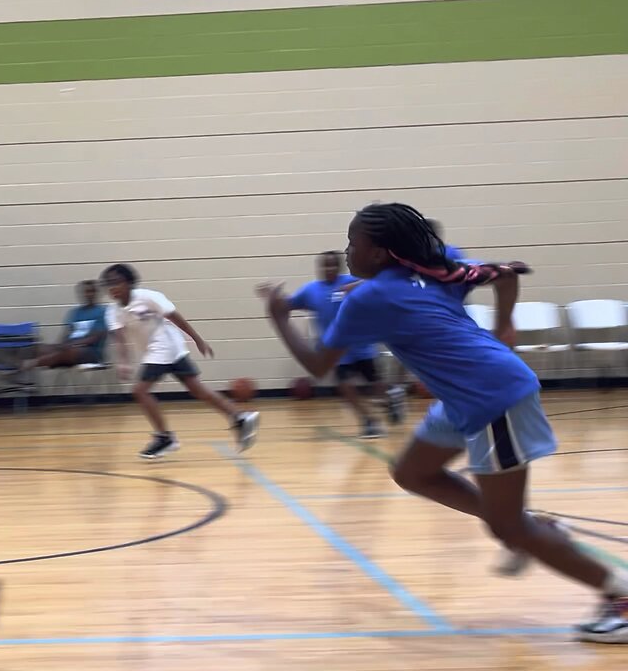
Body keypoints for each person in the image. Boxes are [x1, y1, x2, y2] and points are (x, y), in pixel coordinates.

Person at [257, 202, 628, 643]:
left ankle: (618, 596)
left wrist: (280, 318)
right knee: (413, 473)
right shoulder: (440, 265)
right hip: (462, 397)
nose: (347, 252)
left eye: (352, 243)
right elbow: (504, 275)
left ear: (378, 253)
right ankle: (531, 526)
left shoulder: (370, 299)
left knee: (506, 528)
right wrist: (505, 323)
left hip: (491, 397)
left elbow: (318, 366)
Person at [102, 263, 260, 460]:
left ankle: (165, 437)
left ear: (129, 282)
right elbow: (120, 339)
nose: (112, 287)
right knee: (197, 389)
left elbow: (176, 318)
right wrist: (123, 362)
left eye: (116, 282)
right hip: (160, 350)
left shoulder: (149, 297)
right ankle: (239, 417)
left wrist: (197, 339)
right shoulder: (112, 312)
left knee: (140, 391)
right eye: (108, 284)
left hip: (166, 346)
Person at [288, 252, 405, 439]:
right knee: (345, 386)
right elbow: (288, 304)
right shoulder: (311, 290)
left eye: (333, 265)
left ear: (339, 267)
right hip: (337, 351)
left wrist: (356, 286)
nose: (330, 270)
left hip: (362, 346)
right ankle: (369, 422)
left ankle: (391, 400)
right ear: (320, 268)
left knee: (376, 385)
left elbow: (379, 282)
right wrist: (275, 300)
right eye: (326, 266)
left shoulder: (351, 281)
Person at [19, 280, 107, 374]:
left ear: (97, 293)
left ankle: (32, 364)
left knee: (70, 351)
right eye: (86, 291)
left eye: (92, 291)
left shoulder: (102, 312)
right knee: (39, 348)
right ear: (81, 294)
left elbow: (95, 337)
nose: (89, 294)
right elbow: (66, 334)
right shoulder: (75, 312)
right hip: (70, 348)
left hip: (90, 353)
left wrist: (72, 344)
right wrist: (59, 345)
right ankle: (21, 365)